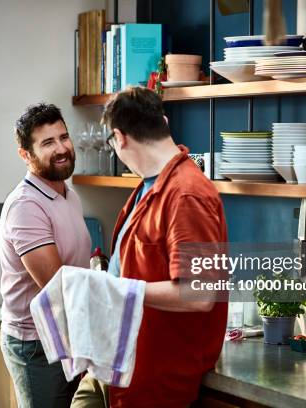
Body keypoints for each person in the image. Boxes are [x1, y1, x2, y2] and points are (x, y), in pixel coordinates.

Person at [72, 87, 228, 407]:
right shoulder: (149, 186)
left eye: (111, 144)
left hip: (152, 376)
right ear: (164, 122)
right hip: (113, 363)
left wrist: (117, 289)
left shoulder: (187, 194)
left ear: (120, 137)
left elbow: (198, 295)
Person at [0, 103, 91, 407]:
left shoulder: (69, 195)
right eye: (48, 143)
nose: (62, 148)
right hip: (34, 344)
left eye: (64, 137)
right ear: (26, 155)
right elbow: (57, 284)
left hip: (65, 335)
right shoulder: (25, 206)